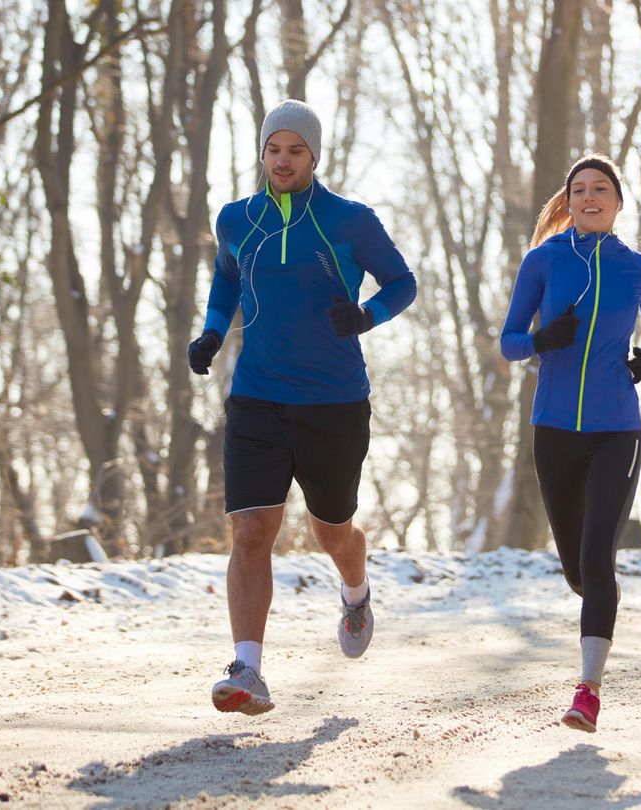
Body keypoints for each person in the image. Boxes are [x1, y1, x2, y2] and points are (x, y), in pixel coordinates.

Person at [187, 99, 417, 715]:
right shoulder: (237, 219)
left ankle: (355, 588)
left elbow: (403, 283)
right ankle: (248, 667)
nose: (282, 160)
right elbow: (227, 279)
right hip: (259, 395)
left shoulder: (349, 220)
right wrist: (212, 332)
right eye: (273, 149)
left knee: (331, 529)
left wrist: (368, 314)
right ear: (261, 153)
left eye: (295, 150)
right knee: (251, 529)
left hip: (334, 400)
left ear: (314, 156)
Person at [499, 155, 641, 732]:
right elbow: (509, 342)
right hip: (553, 430)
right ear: (568, 202)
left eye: (601, 189)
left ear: (618, 203)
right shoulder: (543, 262)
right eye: (580, 190)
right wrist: (541, 338)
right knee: (577, 569)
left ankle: (588, 691)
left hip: (617, 430)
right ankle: (600, 595)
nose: (590, 197)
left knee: (598, 558)